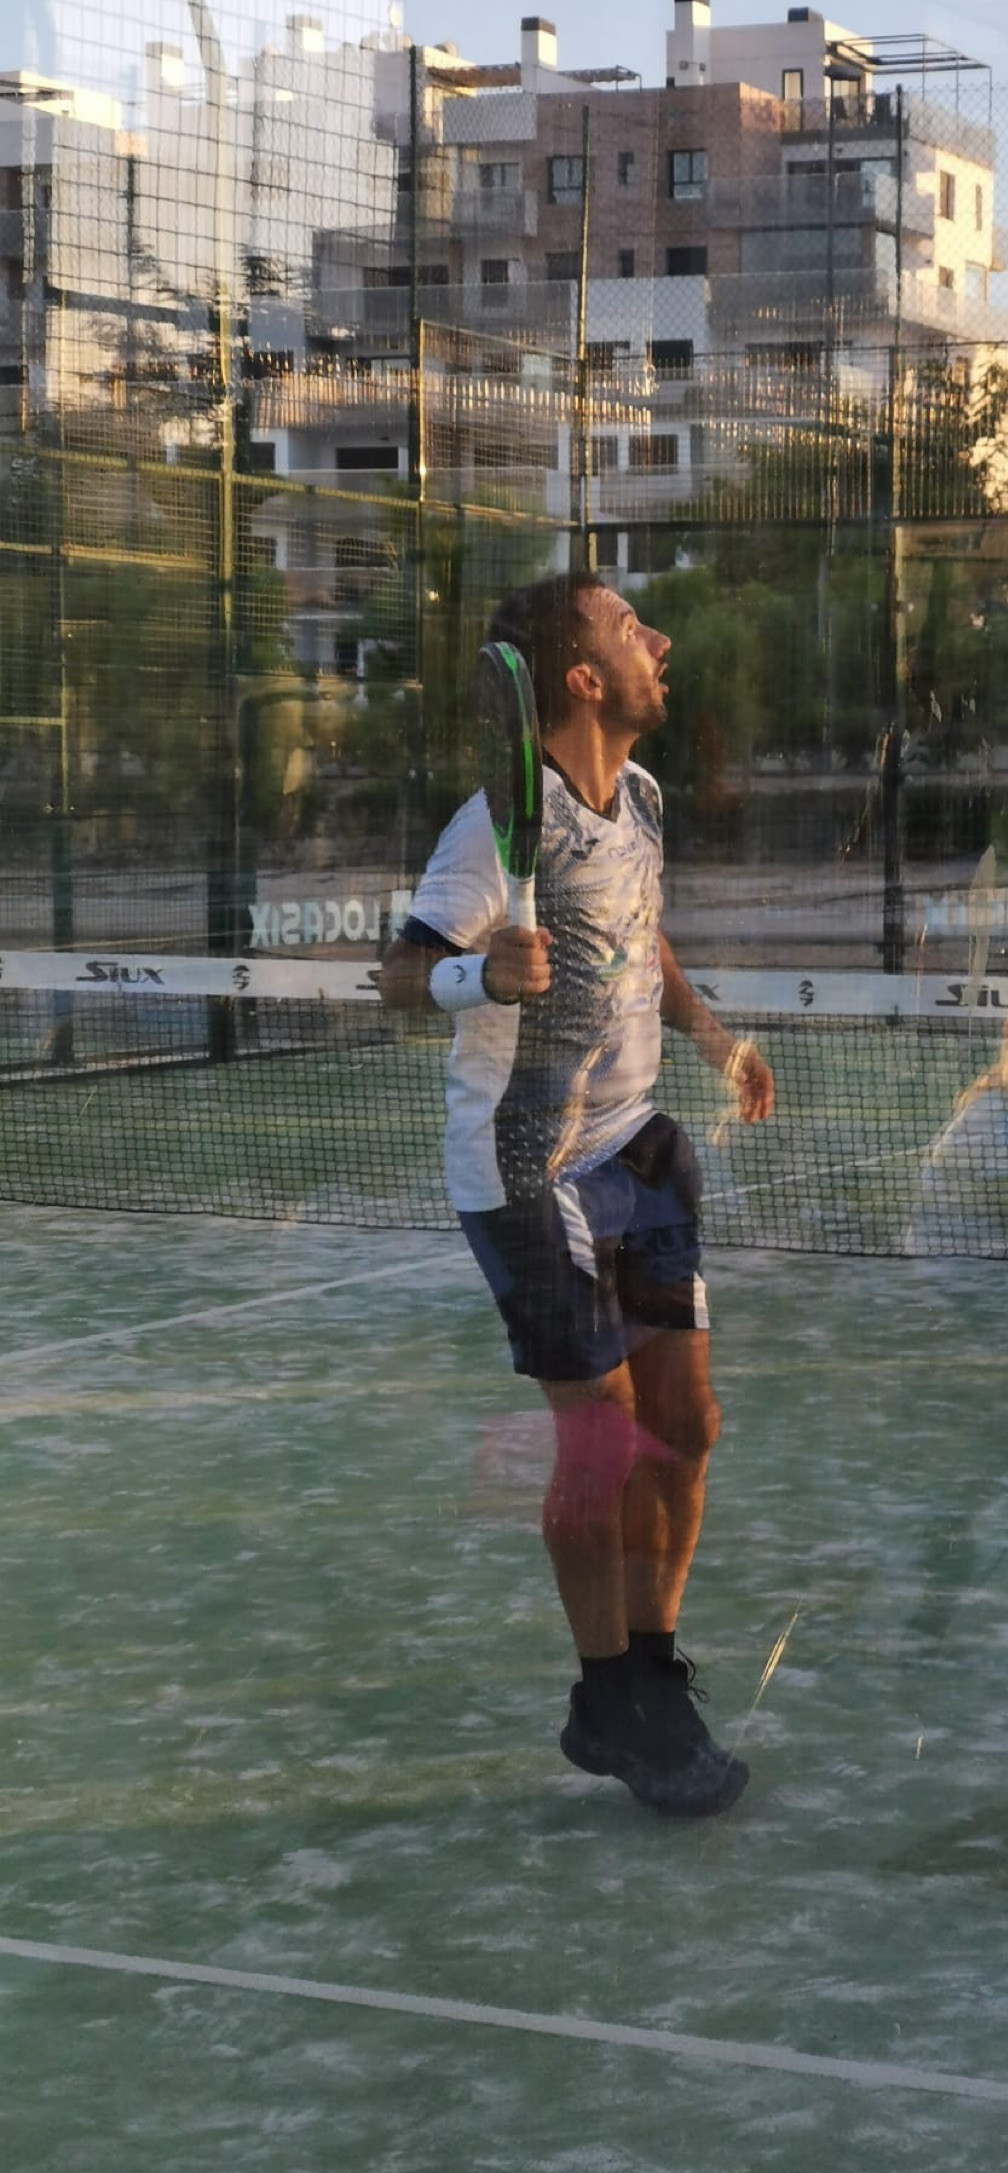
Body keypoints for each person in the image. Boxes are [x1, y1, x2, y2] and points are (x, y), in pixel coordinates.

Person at [379, 572, 774, 1818]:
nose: (662, 637)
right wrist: (482, 979)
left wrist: (714, 1038)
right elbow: (398, 979)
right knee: (601, 1433)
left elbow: (641, 938)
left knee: (686, 1428)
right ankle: (605, 1698)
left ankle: (650, 1670)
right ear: (585, 678)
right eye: (629, 626)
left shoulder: (641, 796)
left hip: (639, 1150)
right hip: (528, 1168)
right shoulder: (496, 829)